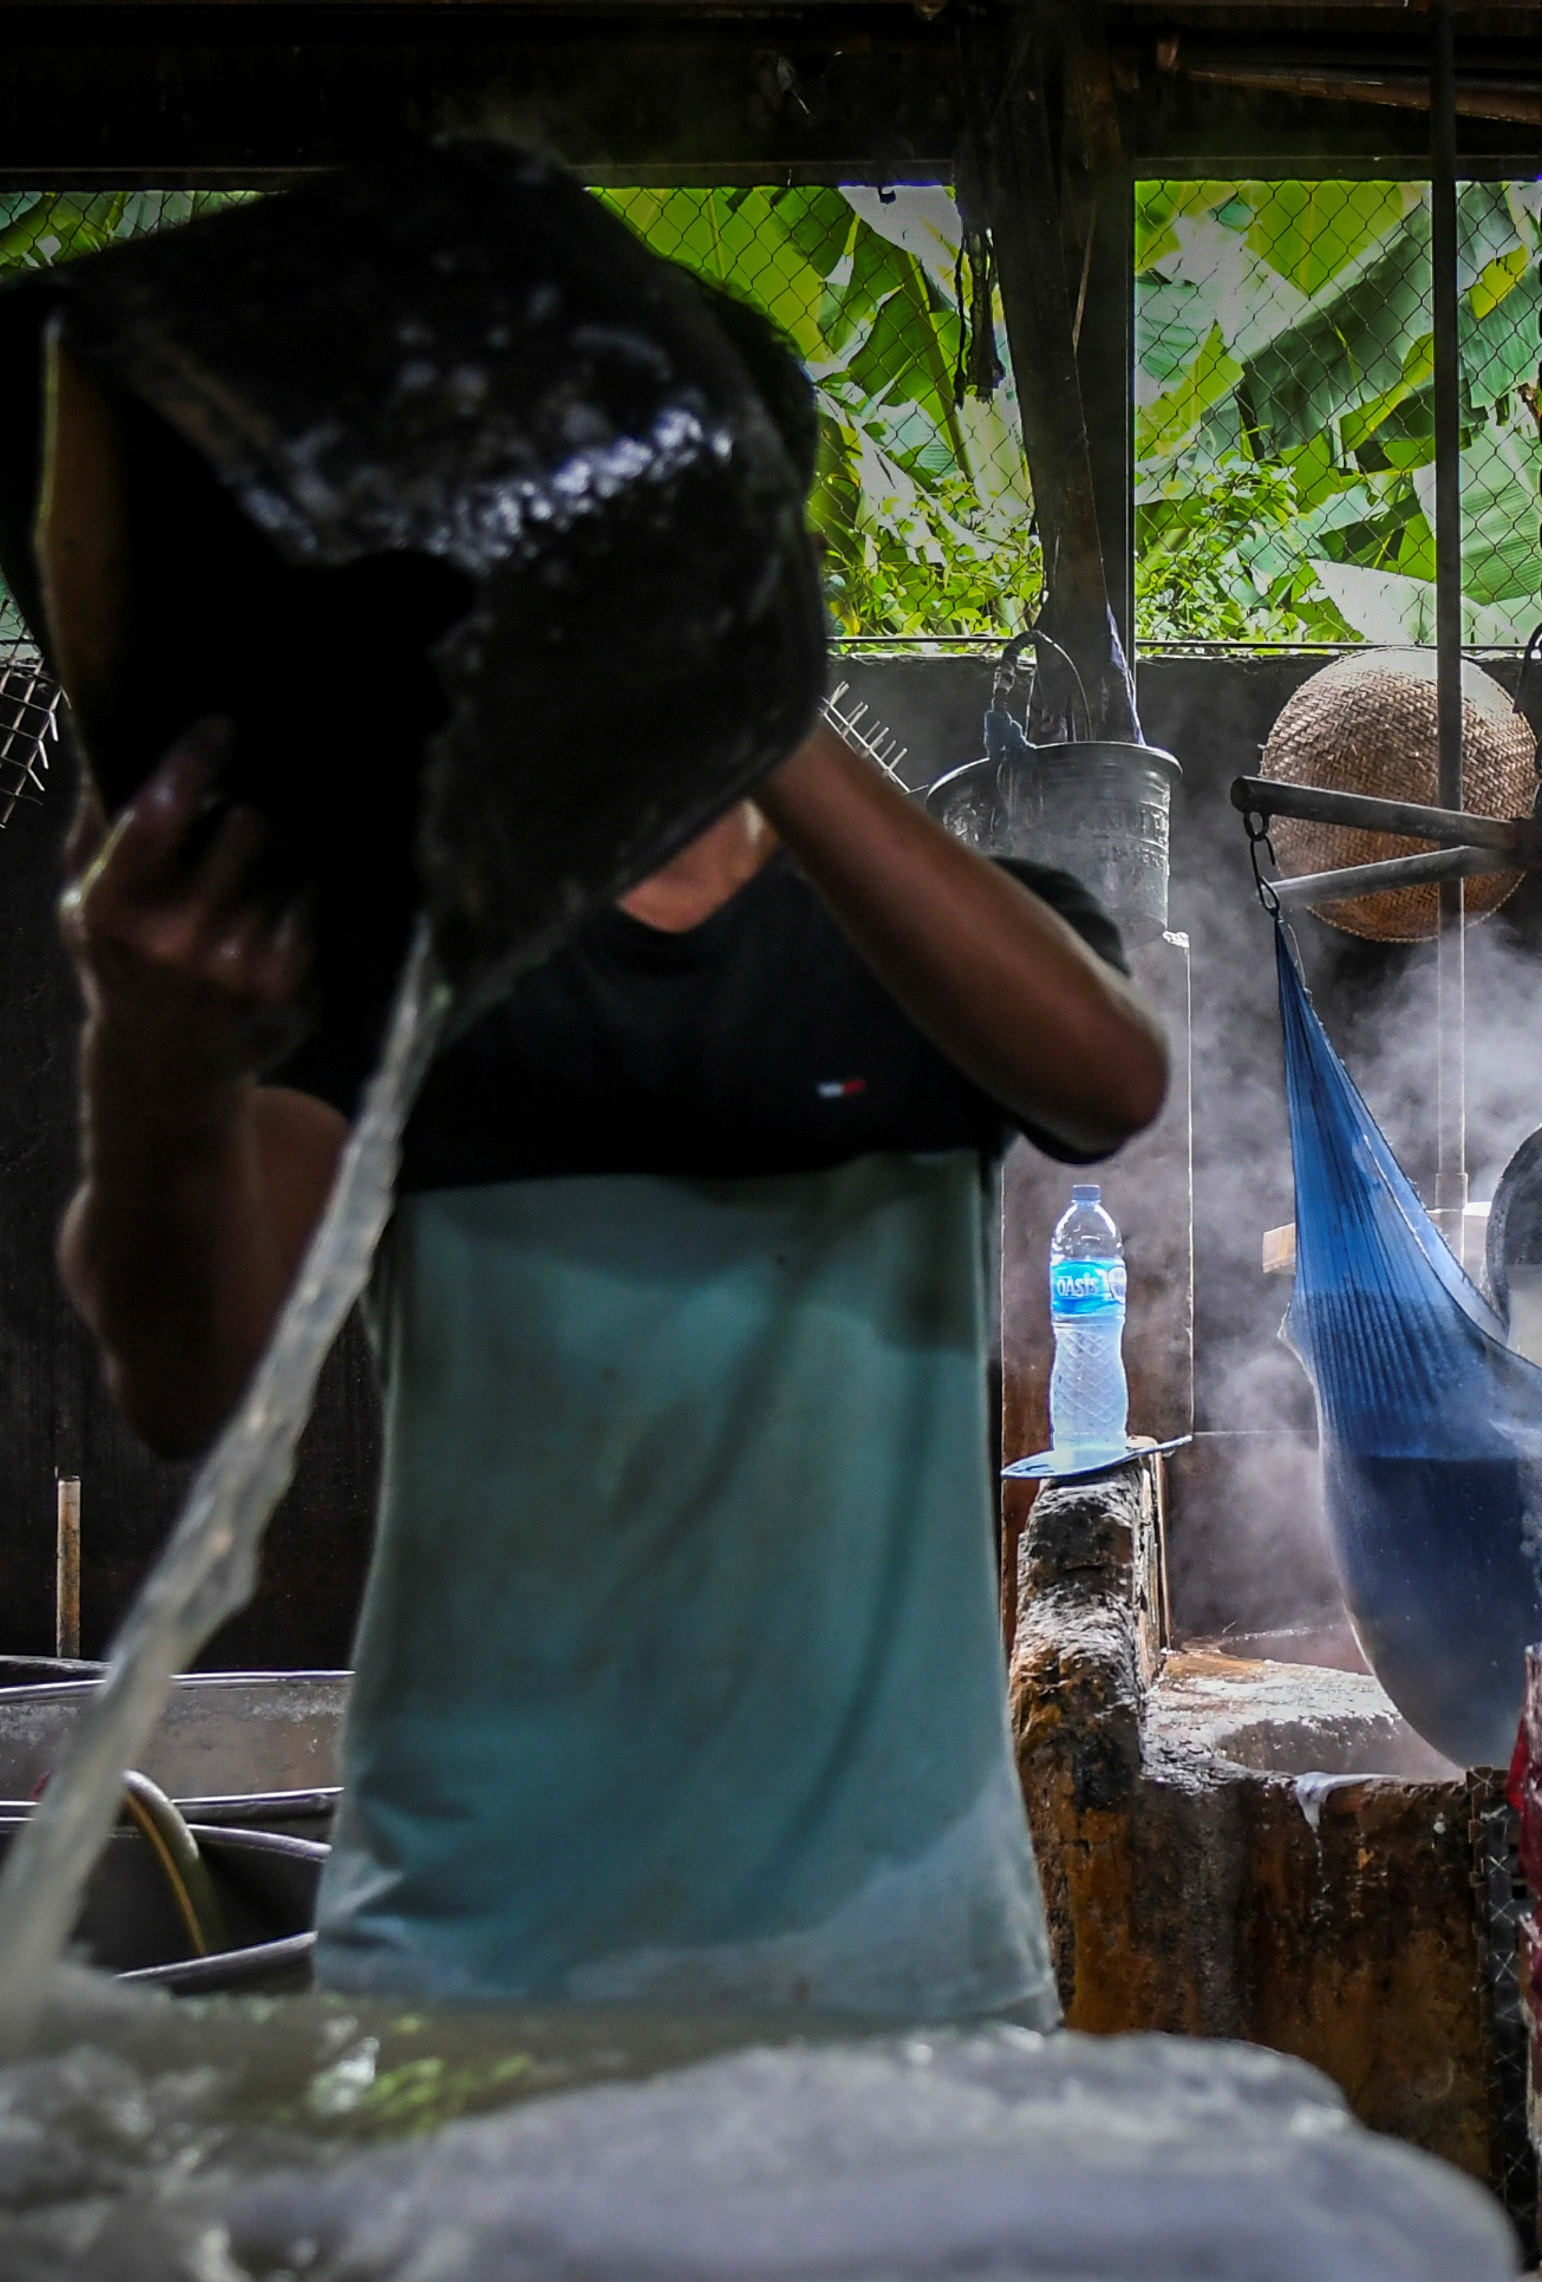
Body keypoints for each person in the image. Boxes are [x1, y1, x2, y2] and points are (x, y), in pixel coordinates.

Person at [58, 704, 1166, 2025]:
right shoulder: (411, 953)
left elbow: (1109, 1079)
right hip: (475, 1971)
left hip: (897, 1977)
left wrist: (752, 691)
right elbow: (187, 1378)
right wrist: (150, 1051)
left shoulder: (918, 941)